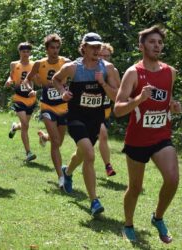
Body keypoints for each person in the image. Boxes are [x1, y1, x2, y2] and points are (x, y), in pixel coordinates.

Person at [114, 25, 182, 243]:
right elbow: (118, 109)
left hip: (161, 136)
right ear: (141, 46)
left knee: (172, 179)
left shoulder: (170, 72)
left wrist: (173, 106)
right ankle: (128, 224)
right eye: (152, 42)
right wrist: (138, 99)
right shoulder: (133, 73)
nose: (157, 46)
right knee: (135, 187)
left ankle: (158, 217)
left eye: (160, 42)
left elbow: (166, 100)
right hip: (137, 139)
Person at [53, 33, 118, 216]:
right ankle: (94, 201)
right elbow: (56, 80)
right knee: (89, 155)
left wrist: (103, 83)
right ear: (84, 48)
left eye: (99, 46)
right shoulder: (72, 68)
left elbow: (117, 97)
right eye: (92, 47)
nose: (97, 50)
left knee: (82, 154)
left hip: (95, 120)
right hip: (75, 117)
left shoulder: (108, 69)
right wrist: (63, 92)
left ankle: (68, 172)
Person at [21, 34, 70, 188]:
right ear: (47, 49)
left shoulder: (66, 62)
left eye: (57, 48)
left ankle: (44, 137)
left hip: (64, 107)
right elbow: (27, 80)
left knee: (59, 141)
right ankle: (61, 177)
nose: (55, 51)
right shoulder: (39, 64)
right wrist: (31, 90)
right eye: (52, 48)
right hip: (47, 106)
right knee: (56, 142)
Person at [6, 42, 37, 162]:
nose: (26, 54)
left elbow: (37, 80)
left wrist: (34, 88)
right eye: (23, 51)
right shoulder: (14, 64)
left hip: (31, 99)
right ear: (20, 52)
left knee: (24, 125)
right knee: (25, 125)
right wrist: (9, 81)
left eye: (28, 51)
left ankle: (14, 127)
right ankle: (28, 152)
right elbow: (11, 76)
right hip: (18, 98)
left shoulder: (34, 65)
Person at [98, 43, 120, 176]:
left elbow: (119, 93)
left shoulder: (113, 71)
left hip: (105, 112)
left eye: (107, 56)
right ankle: (108, 166)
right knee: (103, 135)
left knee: (82, 152)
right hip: (89, 113)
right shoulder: (89, 69)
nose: (104, 58)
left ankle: (69, 169)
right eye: (101, 55)